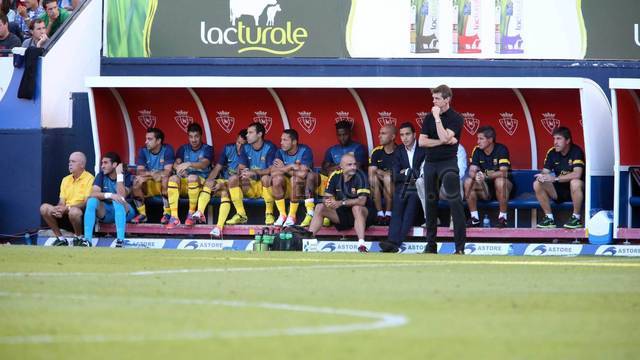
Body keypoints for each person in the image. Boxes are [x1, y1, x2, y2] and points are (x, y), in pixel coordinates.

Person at [419, 84, 466, 255]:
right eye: (433, 98)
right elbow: (422, 142)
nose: (434, 101)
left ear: (447, 100)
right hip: (431, 162)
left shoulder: (456, 118)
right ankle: (431, 246)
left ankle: (459, 248)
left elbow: (444, 135)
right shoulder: (428, 117)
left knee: (455, 202)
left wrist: (438, 119)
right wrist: (443, 141)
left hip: (448, 162)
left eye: (437, 98)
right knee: (430, 203)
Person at [309, 153, 376, 253]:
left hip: (364, 214)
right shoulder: (335, 176)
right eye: (349, 165)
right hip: (343, 215)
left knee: (356, 208)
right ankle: (308, 240)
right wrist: (328, 202)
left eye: (354, 164)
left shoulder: (360, 176)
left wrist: (341, 203)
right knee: (319, 207)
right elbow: (327, 196)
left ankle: (361, 244)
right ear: (341, 166)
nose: (353, 167)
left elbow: (362, 201)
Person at [380, 122, 425, 253]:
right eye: (402, 135)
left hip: (419, 186)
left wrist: (405, 172)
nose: (405, 138)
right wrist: (410, 173)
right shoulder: (399, 151)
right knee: (398, 207)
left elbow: (422, 173)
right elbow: (394, 174)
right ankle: (391, 241)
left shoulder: (423, 149)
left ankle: (396, 242)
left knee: (410, 204)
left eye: (407, 134)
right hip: (403, 186)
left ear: (414, 135)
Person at [197, 129, 247, 237]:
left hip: (238, 185)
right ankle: (199, 212)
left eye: (242, 145)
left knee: (225, 192)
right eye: (238, 143)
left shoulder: (247, 153)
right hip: (225, 181)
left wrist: (222, 185)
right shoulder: (228, 148)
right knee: (210, 184)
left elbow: (239, 178)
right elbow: (217, 168)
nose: (239, 147)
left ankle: (219, 227)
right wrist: (208, 181)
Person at [226, 122, 277, 225]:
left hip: (265, 187)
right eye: (247, 133)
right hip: (250, 186)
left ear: (259, 134)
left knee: (266, 178)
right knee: (232, 179)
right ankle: (241, 215)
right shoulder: (246, 147)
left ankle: (269, 213)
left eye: (250, 132)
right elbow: (241, 168)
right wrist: (243, 173)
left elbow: (272, 170)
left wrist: (254, 173)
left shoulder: (270, 147)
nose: (247, 135)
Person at [534, 126, 585, 229]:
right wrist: (542, 177)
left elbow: (577, 174)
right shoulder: (552, 152)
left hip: (577, 190)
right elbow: (545, 171)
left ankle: (576, 218)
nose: (555, 142)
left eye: (558, 139)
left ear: (568, 140)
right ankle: (549, 219)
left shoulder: (576, 151)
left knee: (575, 182)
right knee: (537, 184)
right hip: (560, 190)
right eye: (554, 138)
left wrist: (555, 178)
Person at [40, 152, 94, 246]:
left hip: (80, 217)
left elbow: (86, 203)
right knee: (44, 208)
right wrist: (59, 209)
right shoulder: (65, 179)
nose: (70, 164)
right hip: (65, 214)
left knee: (74, 211)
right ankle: (60, 239)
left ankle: (78, 237)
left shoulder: (90, 179)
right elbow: (62, 202)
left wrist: (67, 208)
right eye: (69, 161)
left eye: (73, 161)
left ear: (82, 164)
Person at [464, 126, 513, 228]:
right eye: (478, 138)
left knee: (500, 181)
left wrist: (485, 175)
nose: (478, 141)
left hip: (504, 189)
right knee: (469, 181)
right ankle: (474, 219)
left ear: (490, 140)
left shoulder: (501, 149)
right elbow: (472, 170)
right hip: (486, 190)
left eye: (481, 139)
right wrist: (476, 176)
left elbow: (504, 172)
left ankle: (503, 218)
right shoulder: (477, 150)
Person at [166, 123, 213, 229]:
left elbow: (204, 164)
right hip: (185, 181)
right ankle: (174, 217)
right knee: (173, 178)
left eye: (196, 136)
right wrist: (179, 169)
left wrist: (189, 164)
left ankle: (191, 214)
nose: (193, 139)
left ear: (201, 136)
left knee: (193, 177)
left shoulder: (207, 149)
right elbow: (175, 164)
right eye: (191, 136)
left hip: (200, 182)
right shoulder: (183, 148)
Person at [83, 152, 135, 248]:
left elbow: (122, 195)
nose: (102, 166)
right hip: (107, 212)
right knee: (92, 201)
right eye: (102, 163)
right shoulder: (101, 175)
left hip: (126, 211)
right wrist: (110, 195)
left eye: (105, 163)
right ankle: (87, 240)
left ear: (115, 164)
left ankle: (120, 240)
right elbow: (93, 194)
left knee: (118, 200)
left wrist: (119, 175)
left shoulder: (126, 175)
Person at [271, 129, 321, 227]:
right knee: (276, 179)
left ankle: (292, 215)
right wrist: (291, 166)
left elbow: (303, 174)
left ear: (294, 142)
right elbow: (273, 172)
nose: (281, 143)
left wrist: (284, 168)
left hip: (302, 186)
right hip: (287, 187)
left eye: (285, 140)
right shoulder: (279, 152)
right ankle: (282, 215)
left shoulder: (305, 150)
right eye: (281, 140)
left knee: (295, 179)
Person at [131, 127, 175, 224]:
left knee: (165, 179)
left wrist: (156, 174)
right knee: (136, 181)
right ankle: (142, 214)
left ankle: (167, 213)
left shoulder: (167, 149)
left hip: (164, 186)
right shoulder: (143, 150)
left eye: (149, 139)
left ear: (158, 141)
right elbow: (139, 171)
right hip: (150, 184)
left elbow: (167, 172)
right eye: (146, 139)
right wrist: (152, 174)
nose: (146, 142)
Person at [416, 144, 467, 228]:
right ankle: (431, 218)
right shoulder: (432, 146)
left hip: (448, 186)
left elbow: (460, 171)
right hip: (434, 186)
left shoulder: (459, 148)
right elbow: (424, 169)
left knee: (457, 181)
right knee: (420, 181)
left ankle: (455, 220)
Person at [368, 124, 397, 225]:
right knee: (374, 178)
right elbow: (371, 172)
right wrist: (385, 174)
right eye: (380, 133)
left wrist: (383, 174)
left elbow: (398, 174)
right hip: (378, 187)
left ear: (393, 137)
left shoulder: (400, 151)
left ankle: (389, 214)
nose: (379, 136)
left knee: (388, 179)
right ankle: (380, 214)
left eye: (383, 133)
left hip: (397, 186)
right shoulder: (376, 152)